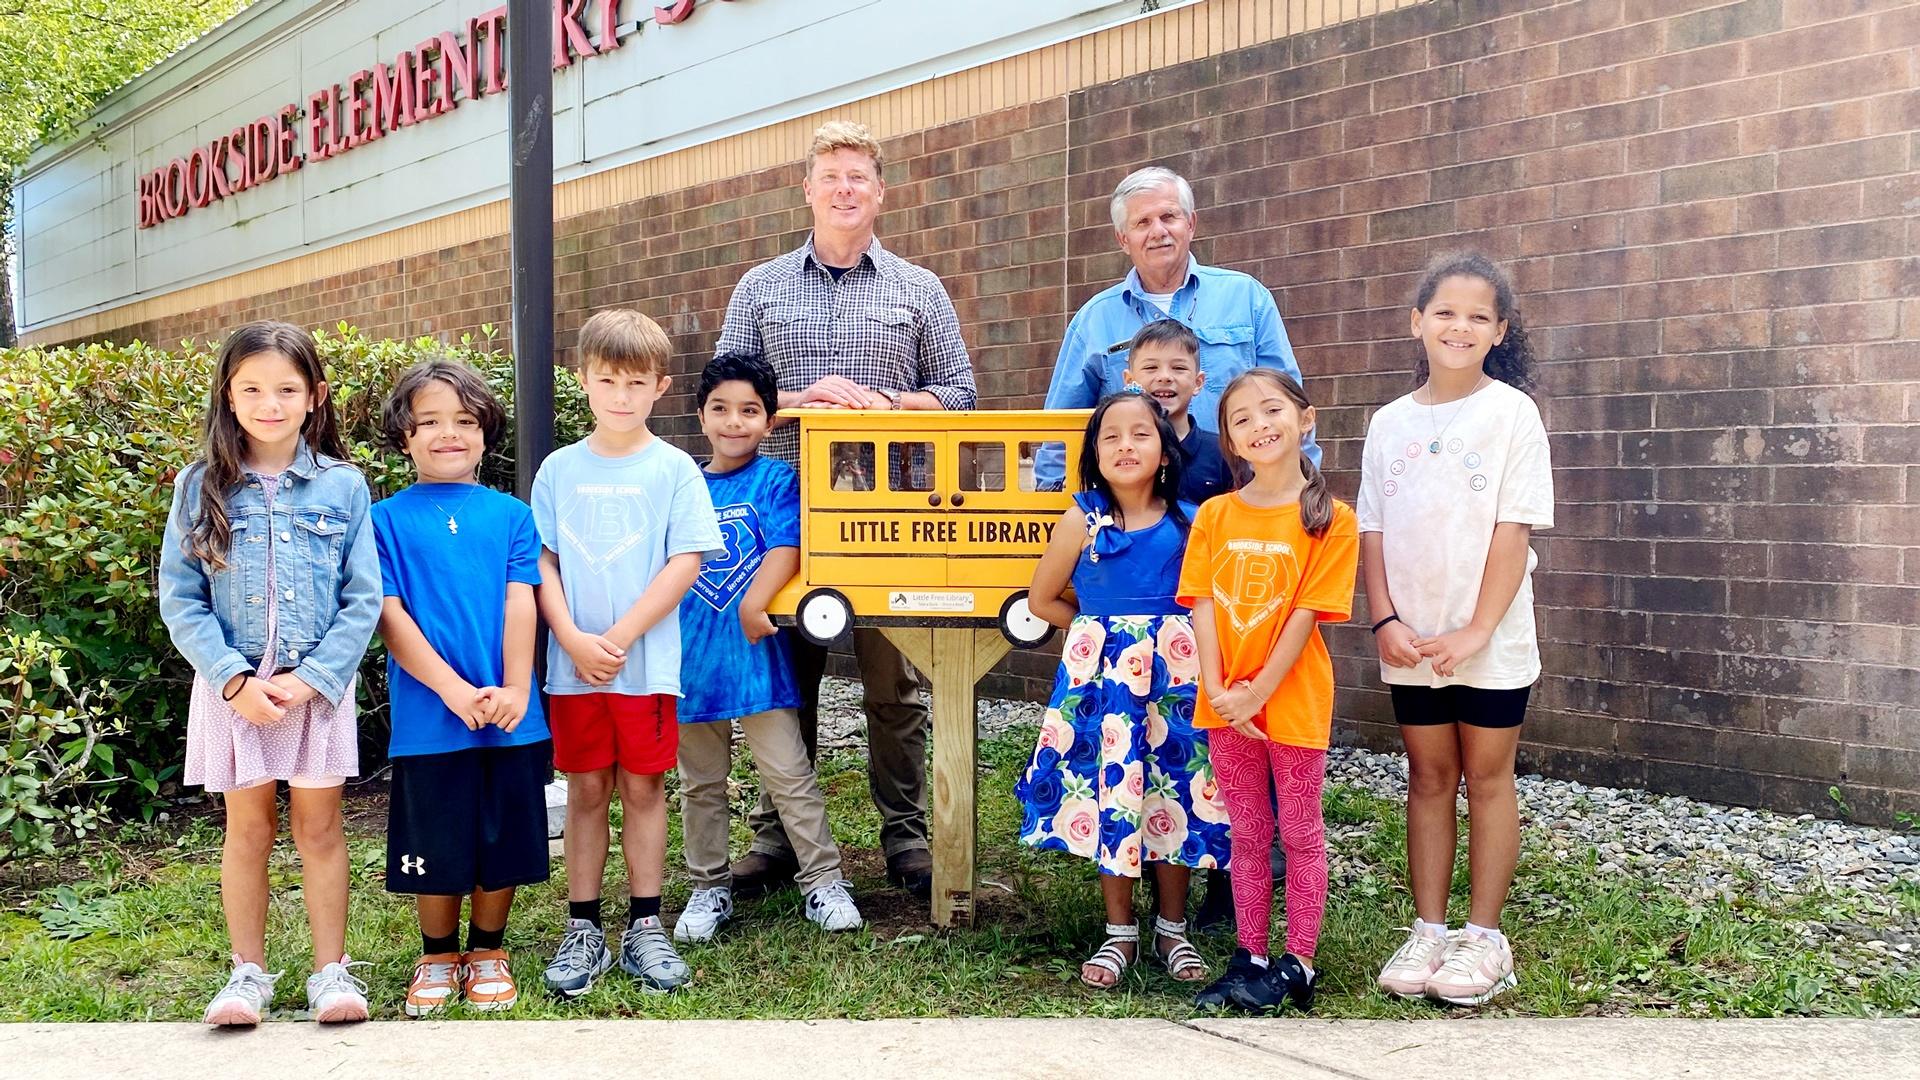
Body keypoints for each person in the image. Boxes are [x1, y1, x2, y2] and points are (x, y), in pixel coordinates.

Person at [713, 120, 976, 899]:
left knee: (894, 686)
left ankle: (907, 836)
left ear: (880, 190)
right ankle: (778, 837)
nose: (845, 189)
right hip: (785, 516)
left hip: (891, 517)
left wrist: (890, 405)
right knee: (782, 682)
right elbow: (730, 391)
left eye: (859, 176)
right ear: (808, 189)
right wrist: (801, 399)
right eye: (831, 176)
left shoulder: (918, 289)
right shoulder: (761, 287)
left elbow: (961, 395)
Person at [158, 320, 381, 1027]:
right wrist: (232, 679)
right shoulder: (201, 486)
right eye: (252, 388)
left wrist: (314, 677)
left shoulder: (343, 486)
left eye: (287, 389)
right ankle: (246, 973)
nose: (270, 403)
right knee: (247, 829)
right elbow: (179, 598)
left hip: (316, 691)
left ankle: (331, 972)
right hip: (235, 693)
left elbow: (363, 597)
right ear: (229, 394)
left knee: (320, 828)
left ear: (314, 396)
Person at [1361, 251, 1553, 1006]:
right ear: (1418, 322)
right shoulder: (1388, 424)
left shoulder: (1512, 415)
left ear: (1500, 330)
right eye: (1445, 312)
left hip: (1491, 644)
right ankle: (1430, 929)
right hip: (1413, 641)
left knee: (1488, 778)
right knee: (1430, 778)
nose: (1460, 325)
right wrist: (1384, 620)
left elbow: (1514, 530)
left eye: (1479, 315)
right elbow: (1371, 533)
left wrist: (1476, 630)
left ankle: (1484, 938)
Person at [533, 309, 724, 997]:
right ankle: (583, 926)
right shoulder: (558, 470)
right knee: (586, 789)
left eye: (634, 381)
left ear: (659, 386)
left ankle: (646, 925)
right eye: (607, 379)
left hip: (643, 667)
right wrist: (572, 638)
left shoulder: (673, 470)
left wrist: (617, 638)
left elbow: (686, 562)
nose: (620, 394)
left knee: (643, 788)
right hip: (574, 667)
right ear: (583, 380)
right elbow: (542, 563)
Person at [1014, 391, 1231, 989]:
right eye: (1111, 436)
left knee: (1174, 792)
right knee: (1117, 790)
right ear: (1094, 453)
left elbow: (1206, 603)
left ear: (1164, 451)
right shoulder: (1081, 518)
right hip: (1108, 690)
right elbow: (1041, 599)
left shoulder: (1192, 520)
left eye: (1141, 434)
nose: (1125, 445)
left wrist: (1163, 637)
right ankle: (1120, 934)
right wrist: (1102, 630)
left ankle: (1172, 929)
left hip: (1175, 686)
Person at [372, 360, 550, 1015]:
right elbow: (389, 615)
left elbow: (521, 602)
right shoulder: (383, 520)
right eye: (430, 423)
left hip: (510, 715)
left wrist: (514, 689)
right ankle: (438, 953)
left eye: (465, 421)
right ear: (404, 436)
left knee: (502, 839)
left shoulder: (511, 515)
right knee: (436, 841)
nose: (449, 434)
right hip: (430, 718)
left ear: (485, 433)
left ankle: (488, 949)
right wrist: (450, 690)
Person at [1179, 369, 1358, 1014]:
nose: (1260, 425)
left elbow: (1309, 613)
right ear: (1228, 439)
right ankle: (1251, 952)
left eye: (1271, 410)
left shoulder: (1332, 520)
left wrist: (1256, 696)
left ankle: (1299, 963)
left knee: (1301, 832)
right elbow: (1200, 604)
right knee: (1249, 832)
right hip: (1224, 702)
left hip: (1292, 699)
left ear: (1304, 418)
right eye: (1242, 419)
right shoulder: (1215, 515)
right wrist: (1219, 689)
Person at [673, 354, 864, 943]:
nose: (735, 422)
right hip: (690, 658)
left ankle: (822, 880)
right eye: (721, 410)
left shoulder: (778, 480)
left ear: (769, 417)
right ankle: (708, 887)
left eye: (750, 410)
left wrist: (755, 604)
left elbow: (787, 546)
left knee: (788, 771)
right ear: (701, 416)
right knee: (700, 781)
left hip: (756, 657)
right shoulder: (680, 484)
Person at [1036, 166, 1319, 490]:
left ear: (1191, 224)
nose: (1158, 231)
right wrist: (1052, 503)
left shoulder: (1247, 298)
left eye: (1168, 217)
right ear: (1123, 239)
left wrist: (1303, 489)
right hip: (1133, 517)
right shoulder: (1094, 320)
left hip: (1239, 502)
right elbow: (1059, 431)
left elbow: (1289, 406)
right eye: (1142, 222)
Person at [1125, 319, 1233, 505]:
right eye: (1151, 367)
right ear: (1129, 381)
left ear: (1198, 383)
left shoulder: (1223, 452)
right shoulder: (1120, 450)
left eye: (1179, 368)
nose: (1165, 377)